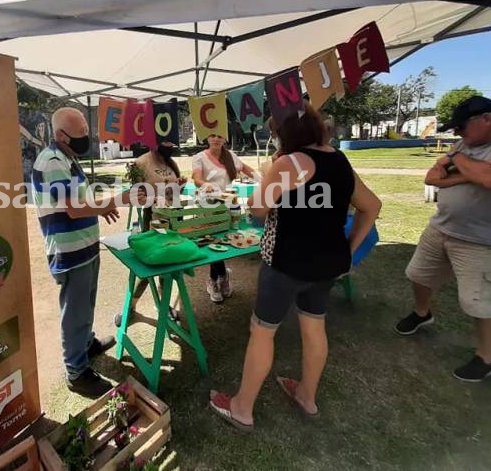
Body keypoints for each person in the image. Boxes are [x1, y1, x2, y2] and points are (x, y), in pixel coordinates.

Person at [209, 105, 382, 429]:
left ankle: (242, 408)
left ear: (283, 134)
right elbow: (372, 206)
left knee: (262, 332)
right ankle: (307, 396)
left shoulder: (288, 163)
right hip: (327, 265)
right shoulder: (339, 159)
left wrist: (270, 171)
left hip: (285, 264)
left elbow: (258, 209)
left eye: (275, 133)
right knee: (314, 327)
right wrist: (348, 250)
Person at [396, 96, 491, 381]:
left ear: (486, 119)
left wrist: (456, 160)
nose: (458, 135)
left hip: (485, 239)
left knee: (481, 302)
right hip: (442, 227)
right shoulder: (467, 145)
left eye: (461, 127)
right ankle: (422, 312)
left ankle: (485, 357)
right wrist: (474, 173)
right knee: (419, 274)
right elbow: (432, 177)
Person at [32, 107, 144, 397]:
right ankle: (76, 371)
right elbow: (74, 208)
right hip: (69, 250)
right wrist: (118, 199)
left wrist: (102, 207)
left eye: (87, 131)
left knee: (86, 301)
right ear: (60, 135)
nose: (87, 138)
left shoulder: (68, 157)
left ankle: (86, 343)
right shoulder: (54, 161)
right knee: (75, 309)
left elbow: (80, 200)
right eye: (81, 133)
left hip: (85, 244)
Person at [113, 141, 188, 326]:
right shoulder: (141, 163)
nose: (170, 144)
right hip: (153, 220)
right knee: (147, 267)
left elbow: (174, 196)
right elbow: (135, 197)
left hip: (173, 219)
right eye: (165, 140)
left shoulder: (170, 163)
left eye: (172, 140)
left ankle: (164, 305)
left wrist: (179, 186)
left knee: (168, 266)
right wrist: (156, 197)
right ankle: (130, 307)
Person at [192, 133, 259, 303]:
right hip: (208, 206)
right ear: (206, 138)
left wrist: (263, 179)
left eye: (219, 136)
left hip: (228, 205)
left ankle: (220, 276)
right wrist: (206, 185)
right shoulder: (199, 157)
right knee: (214, 242)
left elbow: (246, 169)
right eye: (212, 136)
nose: (215, 139)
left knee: (224, 241)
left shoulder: (231, 156)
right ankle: (215, 280)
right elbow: (197, 178)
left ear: (225, 139)